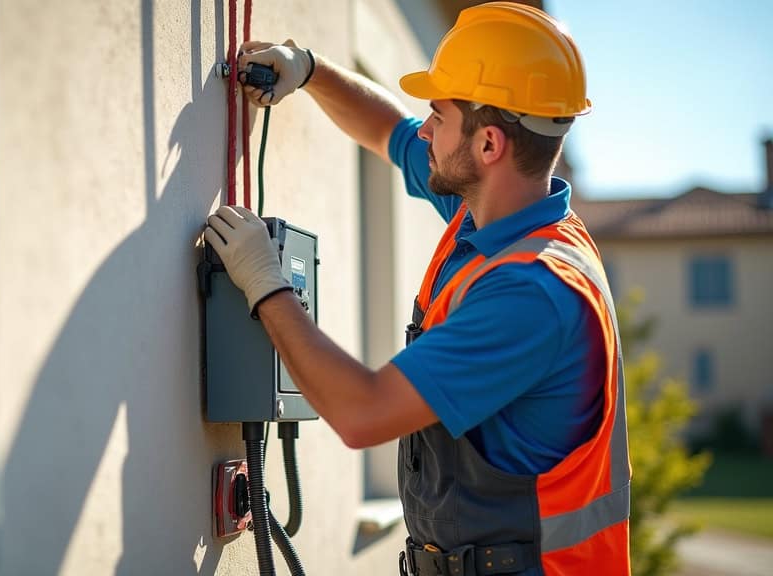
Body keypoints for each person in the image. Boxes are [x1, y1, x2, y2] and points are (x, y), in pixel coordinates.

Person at [203, 3, 630, 575]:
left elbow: (363, 412)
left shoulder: (534, 292)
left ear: (489, 146)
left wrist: (264, 283)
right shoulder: (493, 213)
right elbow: (387, 131)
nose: (424, 128)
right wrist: (309, 70)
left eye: (438, 114)